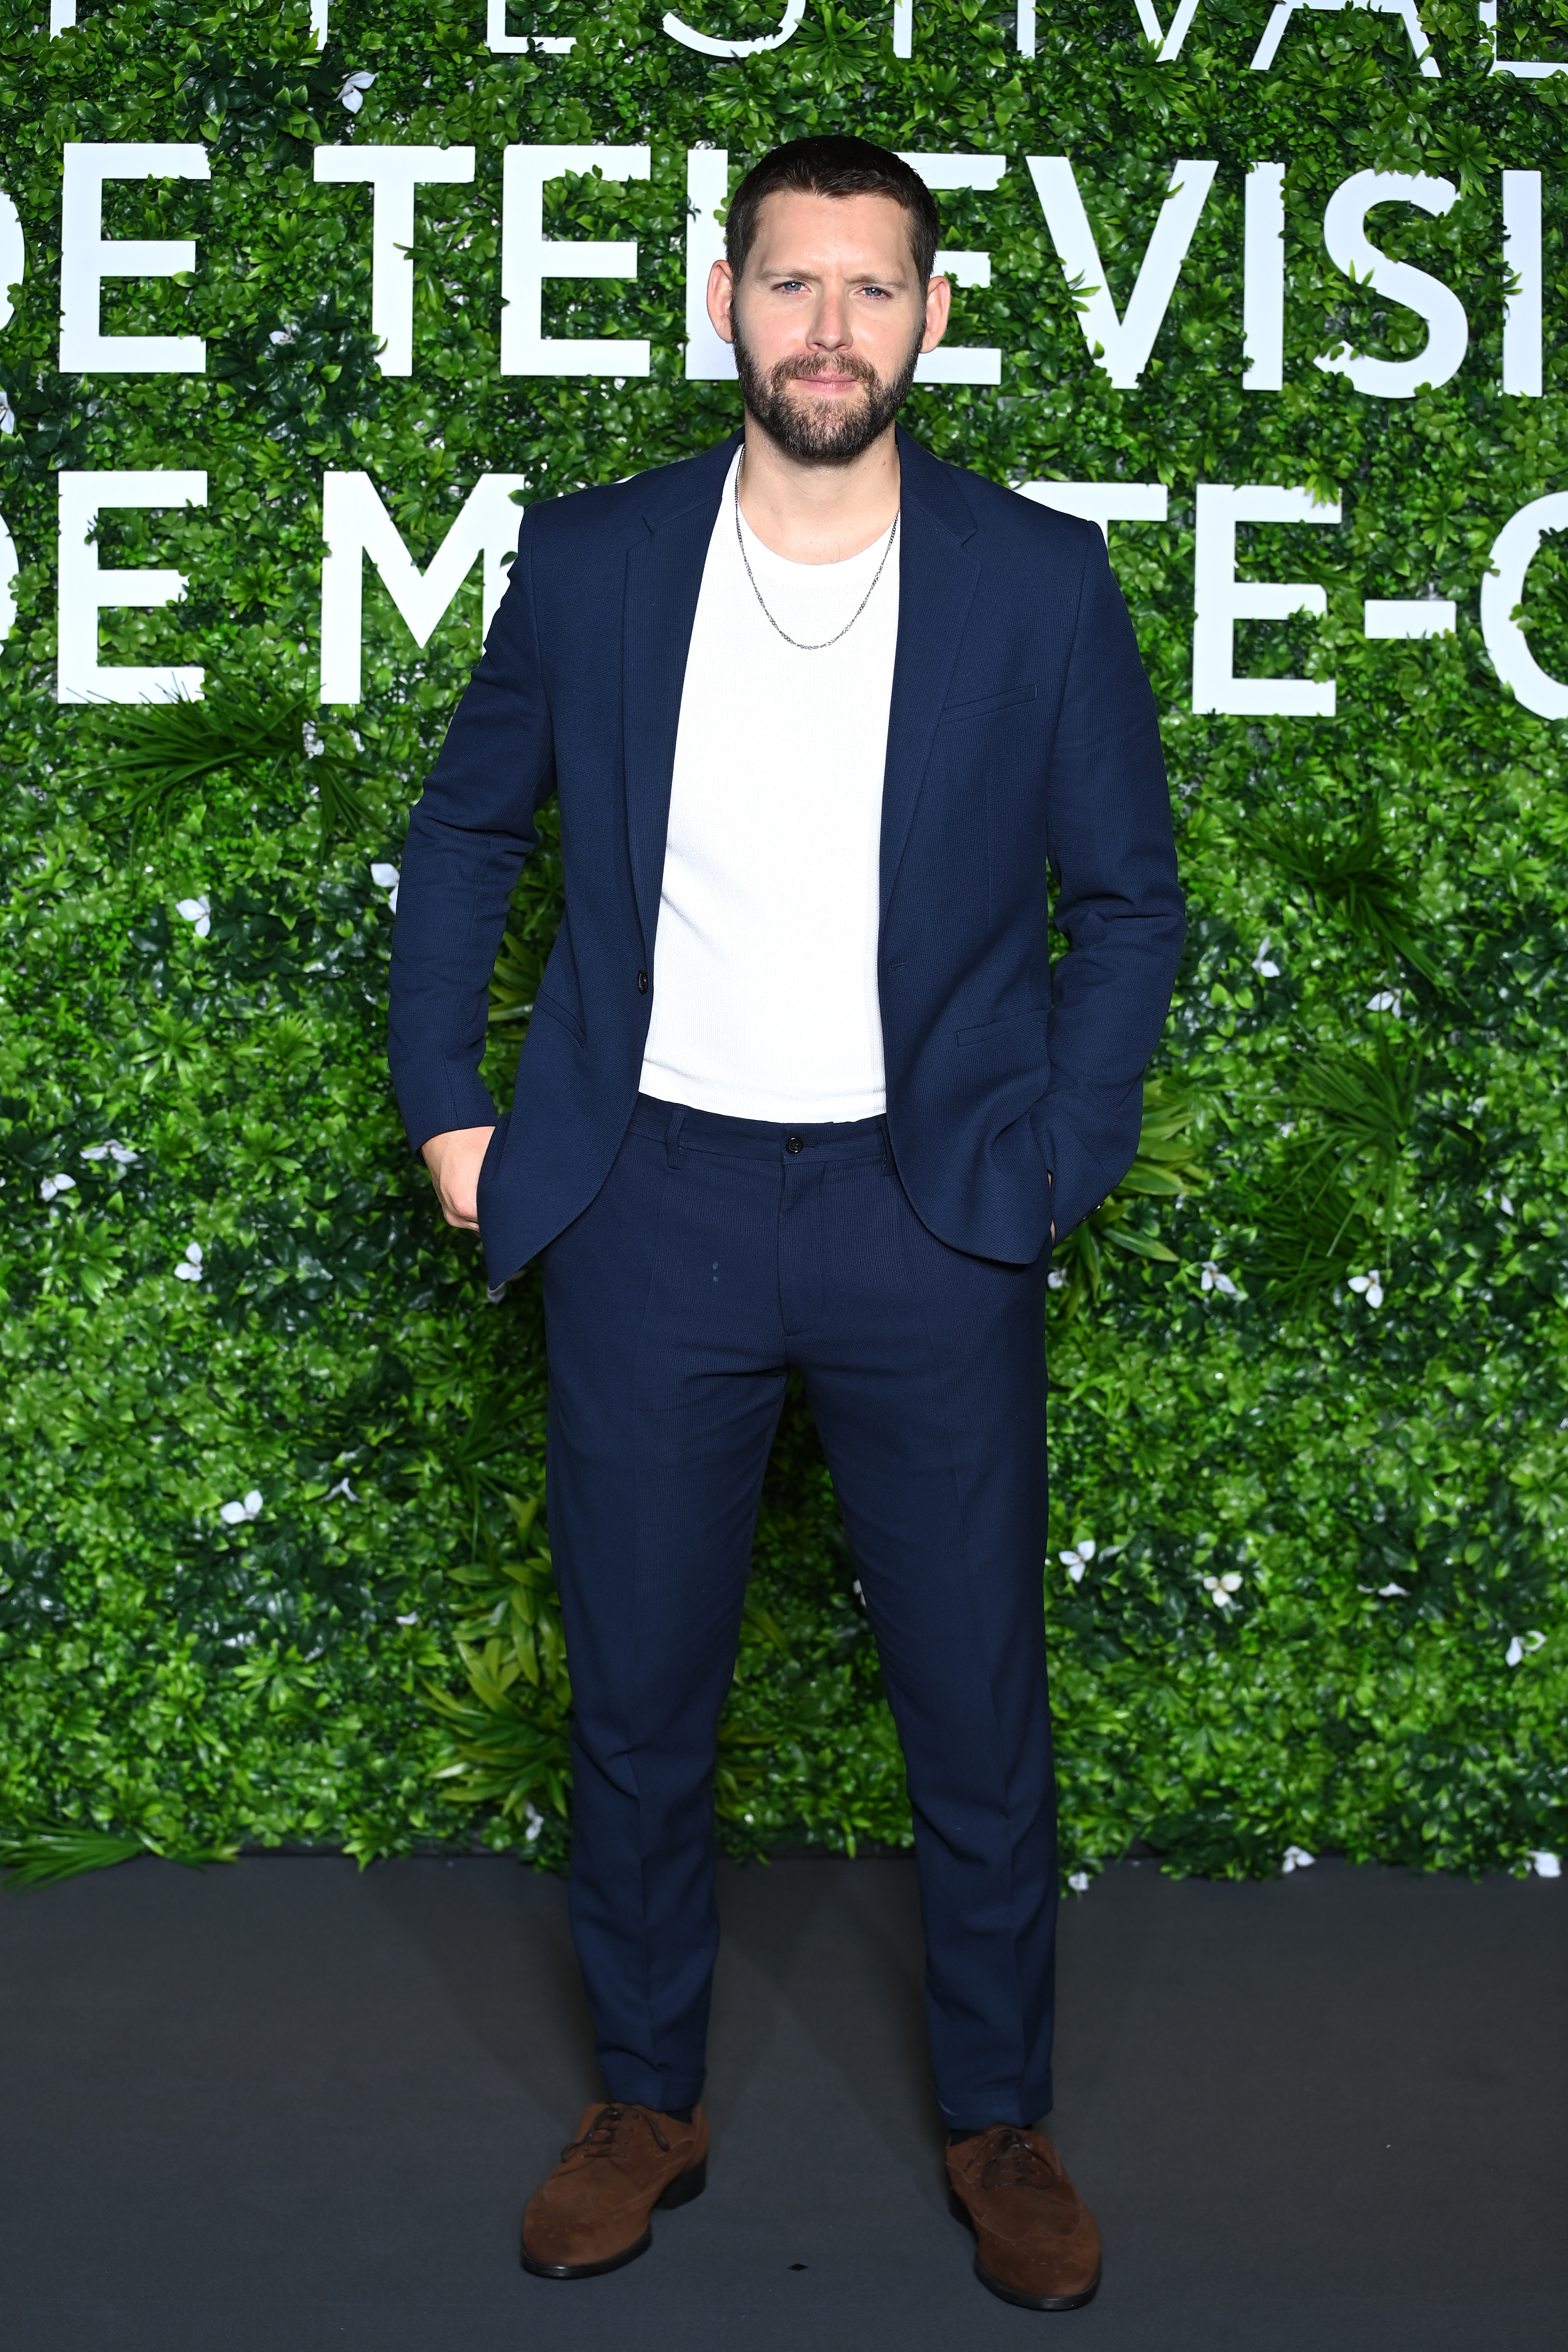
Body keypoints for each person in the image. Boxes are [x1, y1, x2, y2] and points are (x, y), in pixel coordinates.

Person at [388, 133, 1182, 2313]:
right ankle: (646, 2097)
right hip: (653, 1201)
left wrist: (1056, 1155)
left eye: (872, 288)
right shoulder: (598, 565)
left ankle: (999, 2123)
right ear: (721, 304)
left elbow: (1128, 907)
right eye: (790, 283)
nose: (830, 325)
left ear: (930, 319)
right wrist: (455, 1112)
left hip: (931, 1214)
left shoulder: (1039, 583)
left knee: (975, 1703)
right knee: (642, 1698)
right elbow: (464, 839)